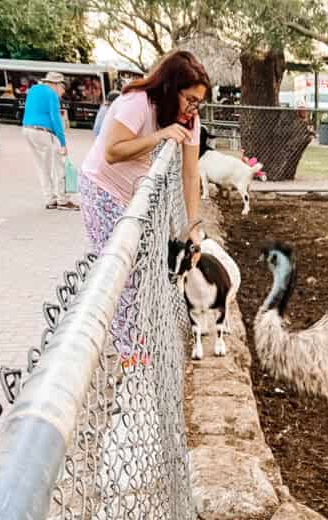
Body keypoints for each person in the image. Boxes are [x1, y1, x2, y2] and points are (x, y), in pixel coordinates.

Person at [79, 50, 209, 367]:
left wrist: (194, 227)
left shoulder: (190, 119)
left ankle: (135, 340)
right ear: (169, 88)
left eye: (199, 102)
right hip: (103, 188)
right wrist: (160, 135)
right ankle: (131, 355)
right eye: (190, 99)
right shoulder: (137, 102)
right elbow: (112, 151)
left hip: (133, 196)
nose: (194, 107)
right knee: (120, 269)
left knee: (140, 269)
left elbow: (190, 175)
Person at [22, 71, 78, 211]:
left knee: (42, 166)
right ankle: (63, 200)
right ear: (56, 84)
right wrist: (63, 142)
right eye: (63, 88)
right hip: (44, 132)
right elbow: (56, 119)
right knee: (59, 166)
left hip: (27, 130)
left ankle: (50, 199)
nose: (62, 92)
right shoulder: (51, 94)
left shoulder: (33, 90)